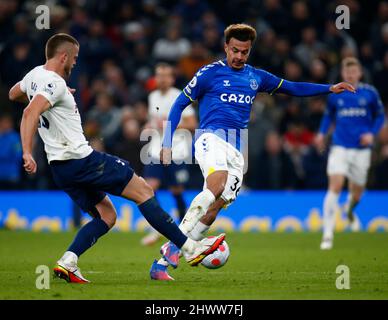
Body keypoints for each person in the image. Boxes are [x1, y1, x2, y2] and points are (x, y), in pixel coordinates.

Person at [8, 33, 225, 283]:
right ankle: (190, 248)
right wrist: (26, 150)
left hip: (61, 169)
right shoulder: (54, 83)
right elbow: (29, 113)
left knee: (107, 216)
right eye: (74, 58)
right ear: (64, 56)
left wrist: (49, 97)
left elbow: (15, 94)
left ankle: (68, 261)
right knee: (143, 191)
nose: (76, 63)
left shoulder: (36, 76)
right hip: (82, 160)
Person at [150, 23, 355, 280]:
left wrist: (328, 88)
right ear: (226, 47)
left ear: (249, 52)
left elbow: (291, 87)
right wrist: (167, 142)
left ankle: (163, 260)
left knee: (216, 206)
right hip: (210, 137)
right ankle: (176, 243)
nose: (238, 56)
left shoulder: (256, 77)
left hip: (236, 148)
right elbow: (179, 104)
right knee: (215, 184)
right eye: (234, 50)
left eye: (244, 52)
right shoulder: (209, 73)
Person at [315, 57, 385, 250]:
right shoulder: (336, 94)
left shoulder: (370, 93)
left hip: (362, 150)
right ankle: (328, 233)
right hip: (340, 146)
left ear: (359, 73)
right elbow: (328, 116)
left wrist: (371, 134)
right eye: (347, 72)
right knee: (335, 186)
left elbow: (379, 116)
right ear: (343, 74)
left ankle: (349, 209)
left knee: (357, 193)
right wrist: (321, 134)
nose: (350, 75)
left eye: (353, 72)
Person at [142, 62, 197, 246]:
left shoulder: (179, 96)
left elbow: (192, 124)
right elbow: (153, 121)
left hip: (177, 151)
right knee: (149, 188)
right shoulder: (152, 97)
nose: (162, 79)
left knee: (176, 191)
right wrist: (149, 126)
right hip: (155, 150)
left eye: (166, 75)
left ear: (172, 78)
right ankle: (156, 228)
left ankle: (183, 229)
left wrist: (170, 125)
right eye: (159, 75)